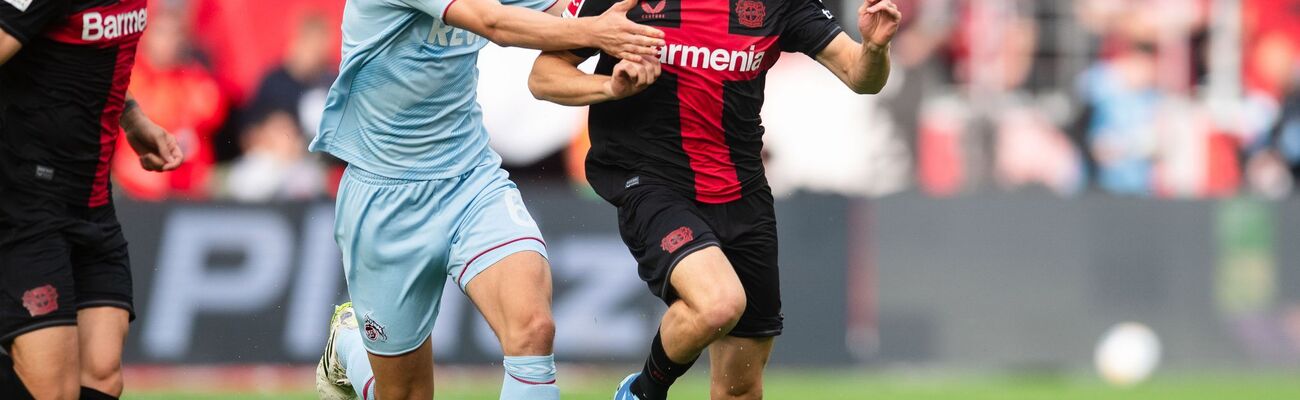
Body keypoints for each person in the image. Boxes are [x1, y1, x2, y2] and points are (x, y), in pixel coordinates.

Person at [527, 0, 900, 398]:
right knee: (718, 303)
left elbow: (861, 76)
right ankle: (642, 392)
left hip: (743, 193)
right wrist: (610, 86)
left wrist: (874, 48)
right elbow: (544, 76)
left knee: (740, 389)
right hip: (652, 182)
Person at [308, 0, 665, 399]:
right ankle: (350, 344)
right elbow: (492, 22)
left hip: (471, 179)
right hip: (385, 197)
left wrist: (645, 15)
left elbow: (560, 7)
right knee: (403, 393)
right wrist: (598, 32)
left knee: (533, 327)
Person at [0, 1, 184, 399]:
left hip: (93, 202)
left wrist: (133, 120)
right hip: (27, 207)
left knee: (101, 377)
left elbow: (89, 55)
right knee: (54, 391)